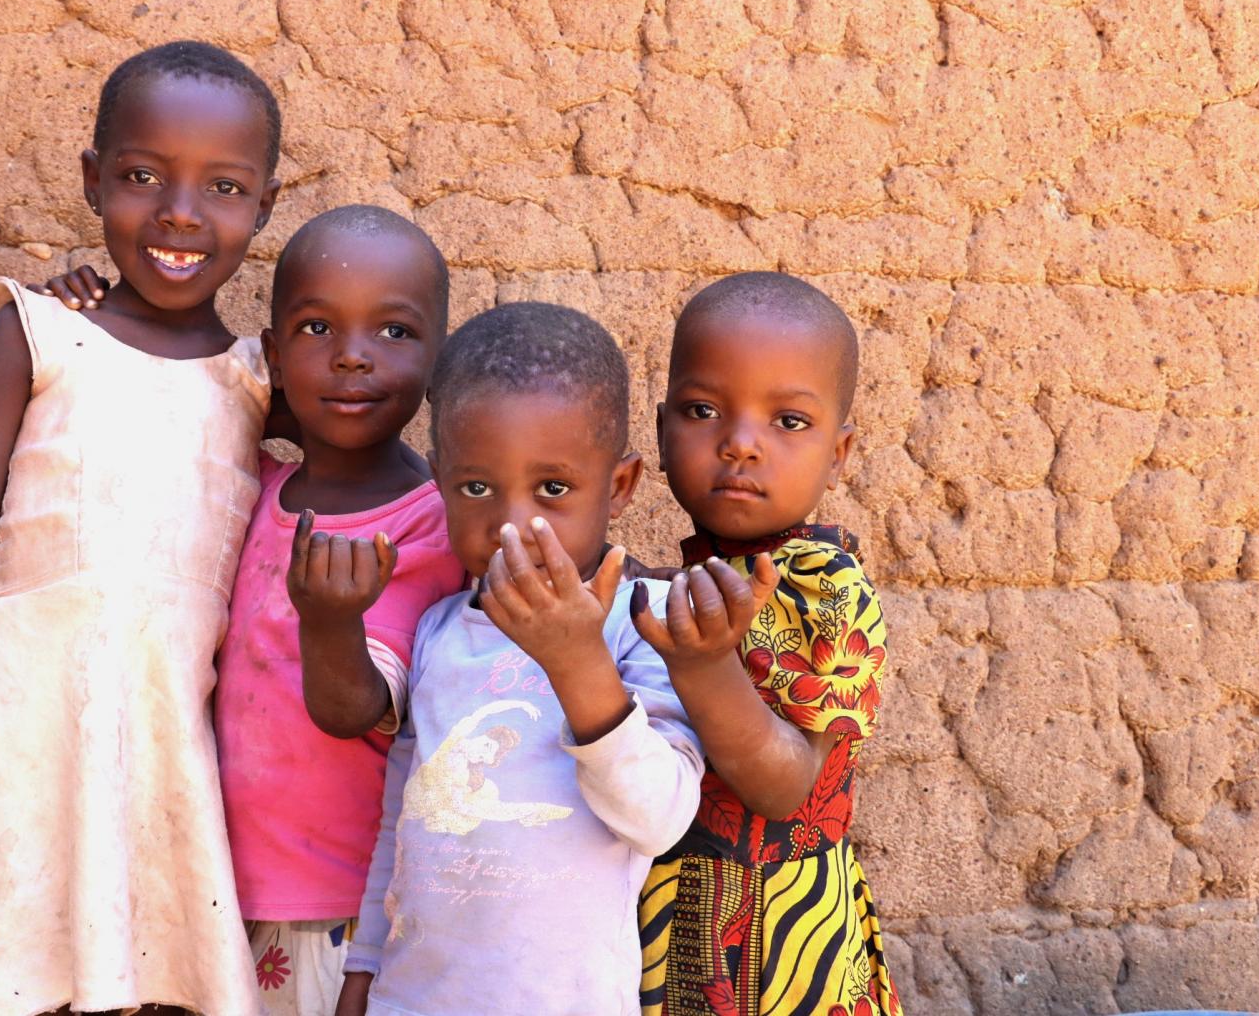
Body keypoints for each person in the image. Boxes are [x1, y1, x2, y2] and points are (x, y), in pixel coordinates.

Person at [0, 40, 284, 1016]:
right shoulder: (39, 334)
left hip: (162, 767)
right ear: (93, 182)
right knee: (3, 981)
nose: (178, 212)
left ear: (262, 206)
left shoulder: (258, 384)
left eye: (221, 186)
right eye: (140, 176)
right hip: (15, 762)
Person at [335, 302, 704, 1016]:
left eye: (553, 490)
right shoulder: (440, 631)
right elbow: (404, 822)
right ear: (440, 482)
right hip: (415, 999)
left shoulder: (642, 626)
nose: (512, 524)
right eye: (476, 488)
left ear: (619, 488)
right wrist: (365, 968)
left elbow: (657, 819)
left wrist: (575, 661)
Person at [215, 207, 467, 1015]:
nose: (353, 356)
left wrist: (329, 619)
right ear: (276, 357)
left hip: (348, 908)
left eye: (393, 334)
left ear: (436, 361)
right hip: (218, 891)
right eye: (317, 328)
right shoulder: (251, 487)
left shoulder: (434, 523)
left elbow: (363, 707)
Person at [631, 272, 902, 1016]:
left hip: (780, 944)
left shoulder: (827, 592)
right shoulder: (668, 586)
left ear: (839, 451)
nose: (740, 444)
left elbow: (786, 789)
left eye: (788, 422)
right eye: (702, 410)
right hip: (663, 918)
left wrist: (704, 663)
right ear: (659, 434)